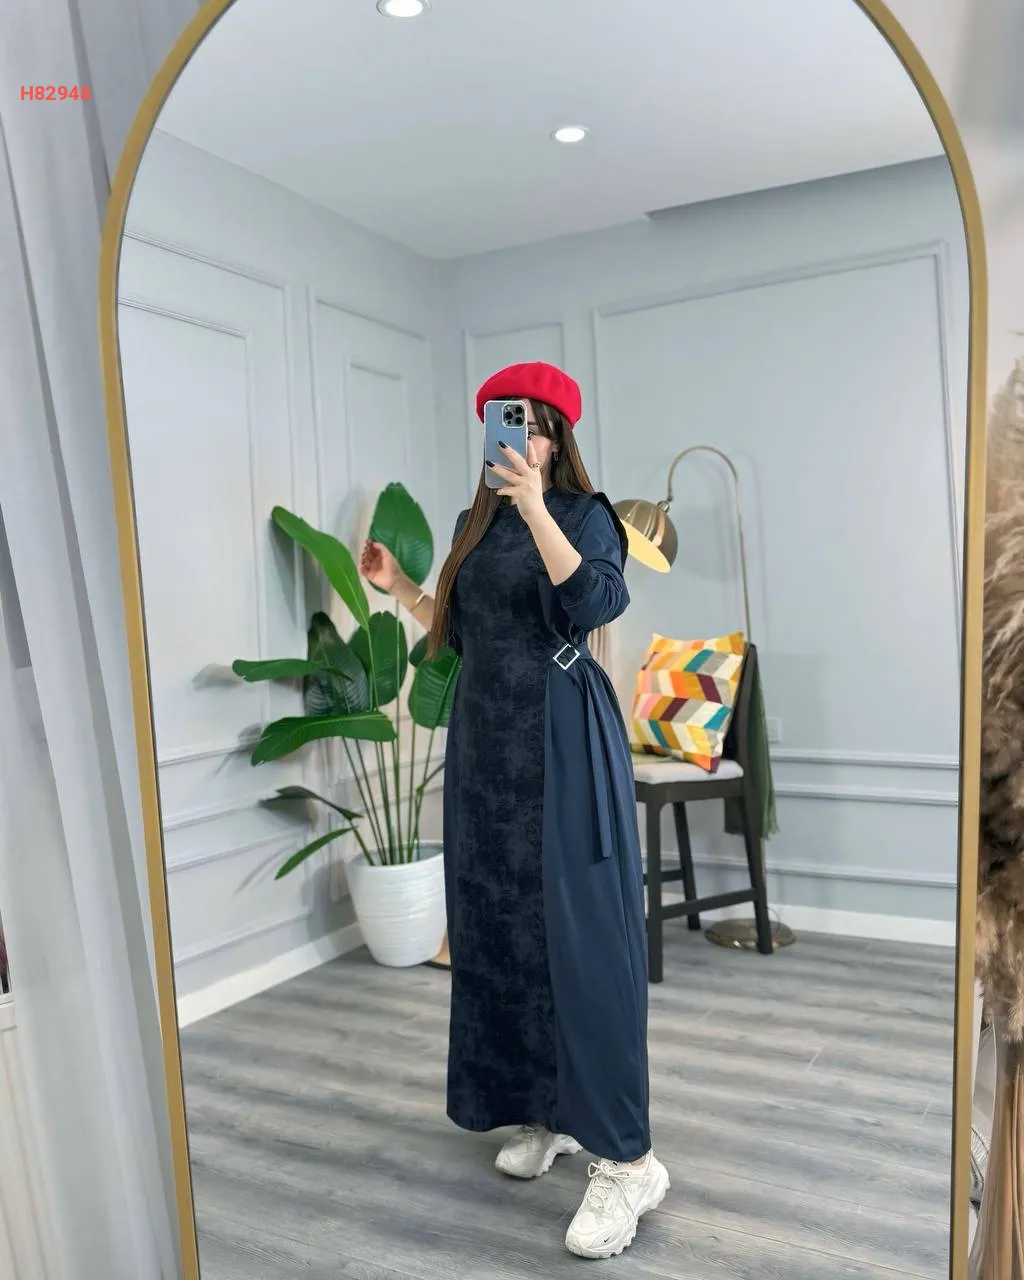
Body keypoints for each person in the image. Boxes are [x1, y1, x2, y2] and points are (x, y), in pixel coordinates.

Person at [360, 361, 668, 1260]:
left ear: (557, 438)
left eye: (533, 423)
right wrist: (401, 589)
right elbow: (459, 633)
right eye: (505, 420)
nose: (519, 437)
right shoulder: (474, 524)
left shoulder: (583, 513)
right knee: (501, 928)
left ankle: (629, 1161)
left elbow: (595, 601)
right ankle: (543, 1107)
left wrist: (536, 507)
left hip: (564, 734)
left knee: (583, 939)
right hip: (486, 745)